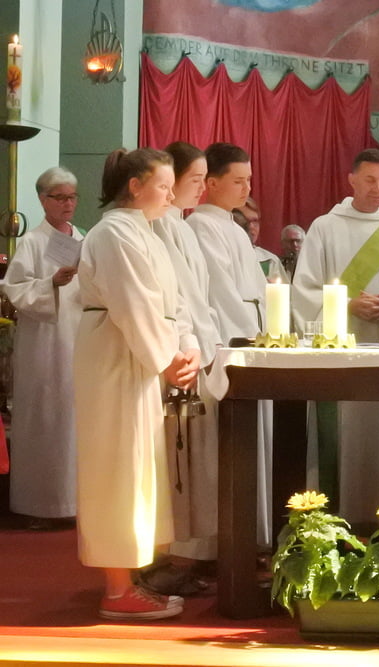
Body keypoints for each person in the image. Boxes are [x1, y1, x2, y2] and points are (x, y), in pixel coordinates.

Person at [75, 147, 200, 620]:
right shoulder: (112, 233)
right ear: (134, 186)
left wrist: (187, 346)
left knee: (138, 466)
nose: (170, 196)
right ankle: (116, 590)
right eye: (163, 186)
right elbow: (132, 304)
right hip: (114, 356)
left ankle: (128, 579)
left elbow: (174, 302)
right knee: (116, 467)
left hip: (139, 357)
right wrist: (167, 358)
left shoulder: (146, 233)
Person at [291, 148, 379, 524]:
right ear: (352, 179)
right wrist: (347, 304)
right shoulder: (325, 227)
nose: (377, 189)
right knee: (341, 434)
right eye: (370, 180)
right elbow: (303, 290)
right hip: (337, 353)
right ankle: (332, 519)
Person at [186, 142, 272, 546]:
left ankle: (251, 536)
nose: (246, 188)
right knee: (222, 447)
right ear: (212, 183)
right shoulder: (202, 227)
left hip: (251, 340)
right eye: (238, 181)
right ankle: (220, 542)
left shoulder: (234, 228)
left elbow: (256, 291)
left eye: (249, 180)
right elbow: (220, 293)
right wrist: (254, 338)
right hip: (226, 344)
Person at [147, 141, 223, 590]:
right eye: (195, 178)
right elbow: (170, 300)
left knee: (194, 462)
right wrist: (185, 347)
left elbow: (199, 296)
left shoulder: (182, 226)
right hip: (176, 358)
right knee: (175, 463)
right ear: (171, 181)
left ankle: (189, 555)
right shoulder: (159, 227)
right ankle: (168, 559)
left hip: (197, 351)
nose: (202, 187)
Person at [4, 167, 84, 529]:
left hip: (78, 338)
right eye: (60, 197)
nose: (68, 204)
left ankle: (74, 502)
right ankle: (40, 506)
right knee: (45, 419)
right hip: (43, 344)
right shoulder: (33, 242)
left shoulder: (82, 238)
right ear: (42, 199)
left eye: (72, 197)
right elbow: (15, 289)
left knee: (74, 421)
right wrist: (50, 283)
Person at [235, 197, 289, 283]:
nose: (251, 226)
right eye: (244, 221)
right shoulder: (222, 256)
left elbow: (285, 290)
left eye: (255, 221)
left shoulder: (270, 261)